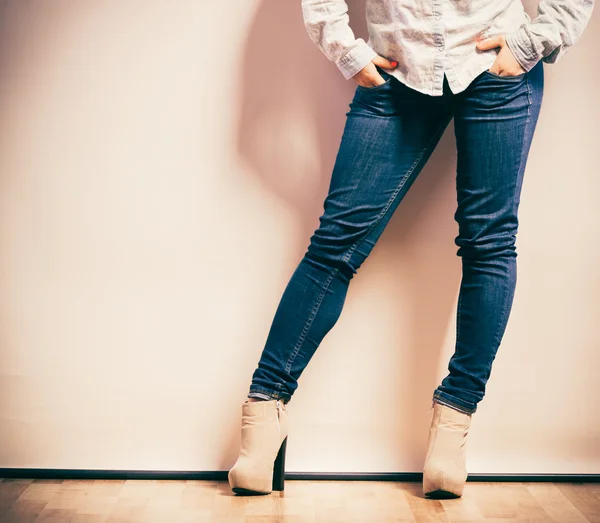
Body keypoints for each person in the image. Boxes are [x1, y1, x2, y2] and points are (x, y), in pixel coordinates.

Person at [228, 0, 595, 499]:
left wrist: (537, 38)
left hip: (496, 68)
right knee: (335, 243)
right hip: (399, 71)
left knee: (488, 244)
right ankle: (263, 415)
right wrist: (344, 49)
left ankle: (453, 424)